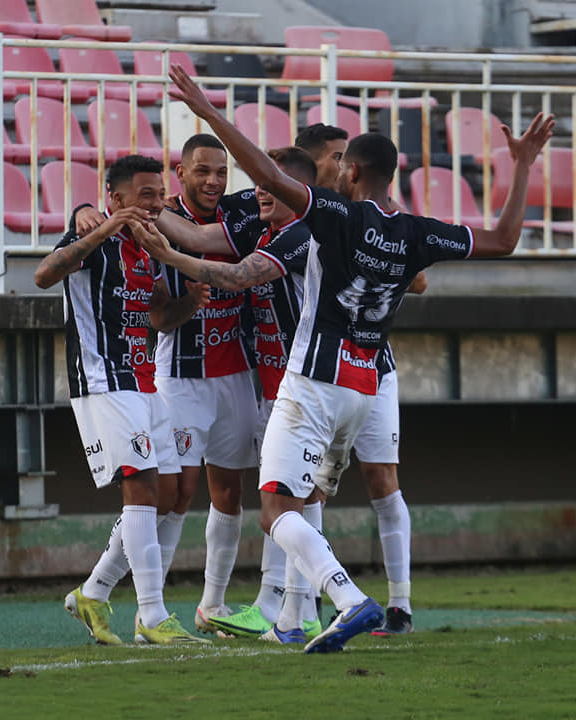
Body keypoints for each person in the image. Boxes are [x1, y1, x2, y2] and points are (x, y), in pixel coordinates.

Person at [166, 63, 555, 653]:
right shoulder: (418, 231)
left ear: (350, 172)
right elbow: (503, 240)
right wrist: (522, 164)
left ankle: (348, 600)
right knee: (309, 499)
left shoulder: (335, 214)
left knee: (276, 509)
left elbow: (267, 173)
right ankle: (295, 619)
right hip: (364, 385)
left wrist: (211, 115)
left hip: (314, 380)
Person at [34, 154, 209, 645]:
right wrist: (95, 226)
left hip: (143, 381)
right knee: (142, 485)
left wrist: (188, 303)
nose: (156, 203)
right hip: (102, 378)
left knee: (172, 494)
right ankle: (151, 616)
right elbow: (44, 276)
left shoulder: (147, 247)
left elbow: (156, 316)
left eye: (160, 194)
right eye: (146, 195)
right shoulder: (93, 241)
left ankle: (93, 591)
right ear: (117, 198)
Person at [297, 122, 419, 636]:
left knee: (381, 480)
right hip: (315, 369)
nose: (344, 165)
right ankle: (308, 603)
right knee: (306, 488)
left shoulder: (370, 215)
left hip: (373, 366)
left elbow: (420, 279)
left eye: (348, 157)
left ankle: (400, 606)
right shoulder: (299, 213)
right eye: (335, 156)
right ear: (314, 165)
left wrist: (386, 242)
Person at [150, 134, 265, 634]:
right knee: (177, 492)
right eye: (203, 171)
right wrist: (189, 305)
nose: (214, 180)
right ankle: (148, 608)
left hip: (236, 374)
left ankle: (212, 605)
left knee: (230, 491)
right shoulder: (158, 221)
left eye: (221, 171)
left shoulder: (241, 216)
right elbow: (156, 316)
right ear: (180, 173)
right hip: (182, 375)